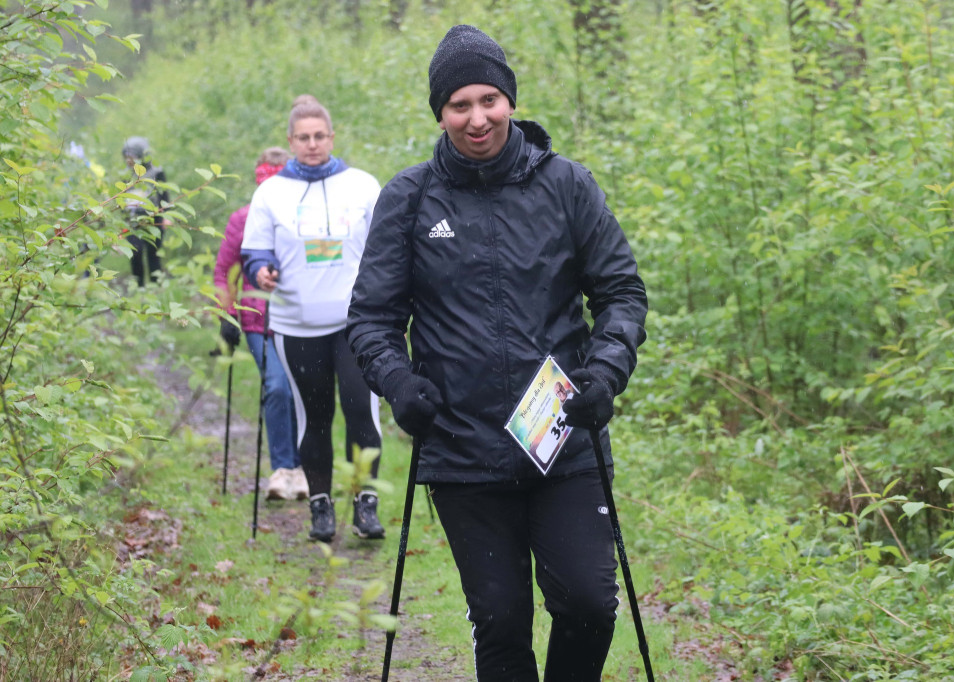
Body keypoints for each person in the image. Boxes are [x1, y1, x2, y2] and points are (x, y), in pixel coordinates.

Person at [346, 25, 648, 682]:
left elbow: (622, 292)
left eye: (489, 99)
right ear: (441, 112)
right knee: (502, 621)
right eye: (460, 104)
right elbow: (370, 318)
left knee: (590, 604)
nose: (477, 117)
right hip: (461, 447)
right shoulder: (410, 199)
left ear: (510, 99)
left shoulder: (567, 186)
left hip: (563, 436)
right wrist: (398, 383)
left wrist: (606, 372)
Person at [241, 95, 386, 542]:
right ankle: (321, 507)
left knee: (362, 409)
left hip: (356, 323)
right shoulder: (271, 193)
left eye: (319, 136)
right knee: (315, 416)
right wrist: (260, 271)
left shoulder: (363, 186)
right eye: (303, 138)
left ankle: (366, 505)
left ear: (332, 137)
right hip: (297, 323)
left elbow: (386, 249)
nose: (312, 144)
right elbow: (254, 251)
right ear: (290, 141)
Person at [213, 146, 306, 502]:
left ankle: (302, 470)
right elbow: (224, 272)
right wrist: (226, 318)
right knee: (278, 386)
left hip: (301, 319)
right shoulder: (242, 219)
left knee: (302, 391)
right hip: (257, 320)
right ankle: (283, 469)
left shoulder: (307, 218)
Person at [121, 136, 167, 286]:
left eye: (132, 156)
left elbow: (164, 195)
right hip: (133, 220)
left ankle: (156, 286)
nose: (129, 160)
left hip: (154, 218)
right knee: (135, 253)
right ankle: (139, 286)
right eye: (127, 157)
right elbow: (120, 200)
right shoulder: (125, 176)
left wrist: (166, 215)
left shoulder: (156, 173)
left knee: (153, 253)